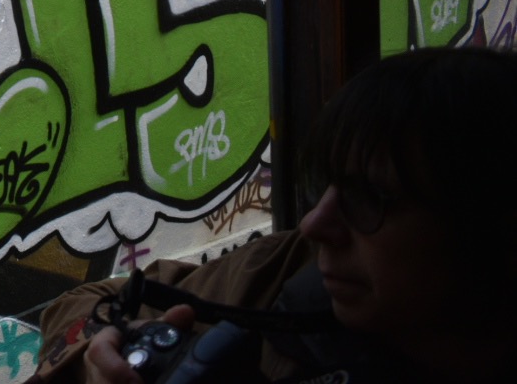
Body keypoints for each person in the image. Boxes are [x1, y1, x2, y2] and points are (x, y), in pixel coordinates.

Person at [28, 46, 517, 382]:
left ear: (492, 228)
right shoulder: (282, 276)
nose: (315, 224)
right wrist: (102, 354)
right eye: (325, 187)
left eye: (369, 199)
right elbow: (87, 302)